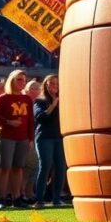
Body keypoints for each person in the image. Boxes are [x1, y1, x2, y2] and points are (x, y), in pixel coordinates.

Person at [0, 69, 34, 209]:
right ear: (12, 80)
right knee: (5, 168)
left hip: (22, 138)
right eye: (19, 79)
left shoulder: (27, 99)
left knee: (18, 168)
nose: (22, 82)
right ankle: (2, 198)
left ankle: (17, 197)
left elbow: (30, 121)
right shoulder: (3, 98)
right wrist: (8, 122)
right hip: (6, 136)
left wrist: (30, 138)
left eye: (24, 80)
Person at [33, 74, 66, 208]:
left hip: (59, 137)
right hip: (44, 137)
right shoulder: (39, 101)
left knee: (60, 167)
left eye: (57, 84)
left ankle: (56, 198)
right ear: (46, 85)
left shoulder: (63, 100)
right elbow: (40, 117)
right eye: (52, 83)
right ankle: (39, 199)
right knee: (45, 165)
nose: (55, 86)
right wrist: (53, 105)